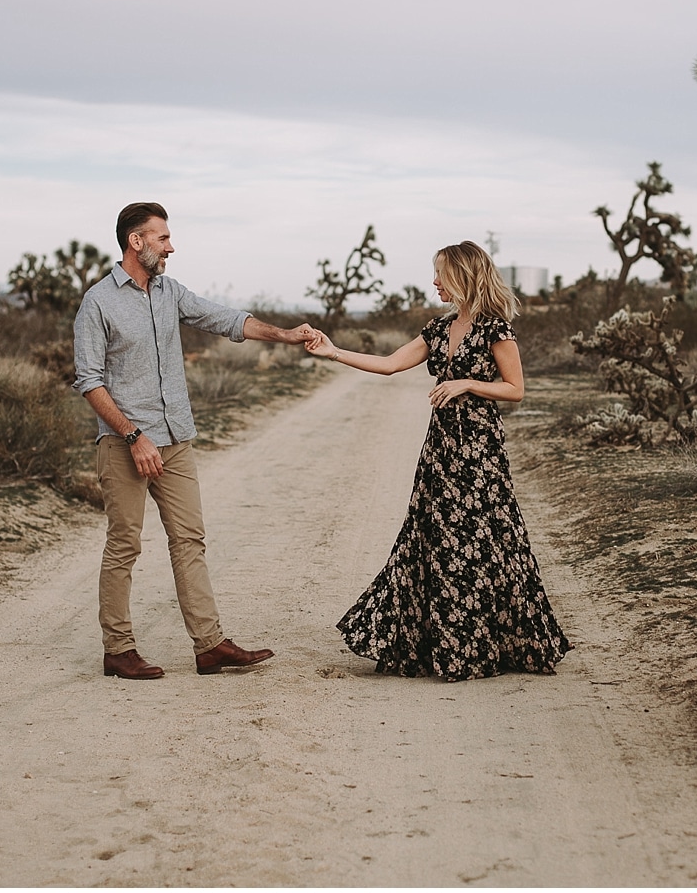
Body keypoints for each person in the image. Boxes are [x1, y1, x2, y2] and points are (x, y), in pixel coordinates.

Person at [306, 240, 571, 681]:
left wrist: (467, 383)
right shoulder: (438, 328)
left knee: (482, 539)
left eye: (440, 274)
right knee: (435, 538)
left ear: (463, 276)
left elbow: (515, 389)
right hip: (442, 449)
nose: (434, 282)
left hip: (480, 449)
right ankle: (445, 644)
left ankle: (490, 643)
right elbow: (390, 364)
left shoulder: (495, 329)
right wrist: (334, 352)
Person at [73, 201, 318, 679]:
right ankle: (118, 650)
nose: (171, 246)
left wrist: (286, 335)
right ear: (135, 241)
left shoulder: (169, 292)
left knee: (189, 539)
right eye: (162, 238)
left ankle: (209, 645)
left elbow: (226, 319)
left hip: (176, 438)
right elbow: (89, 380)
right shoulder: (98, 302)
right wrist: (133, 436)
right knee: (125, 543)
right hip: (127, 444)